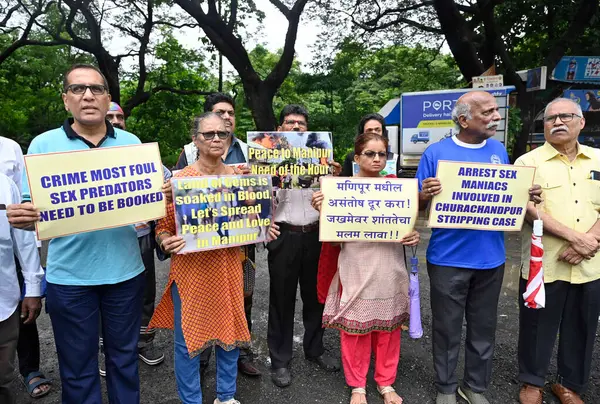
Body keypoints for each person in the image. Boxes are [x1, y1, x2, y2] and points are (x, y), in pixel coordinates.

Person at [7, 64, 146, 403]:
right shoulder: (42, 145)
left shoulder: (132, 143)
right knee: (77, 367)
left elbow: (146, 200)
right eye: (78, 89)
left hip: (126, 274)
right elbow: (30, 204)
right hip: (69, 279)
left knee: (124, 361)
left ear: (108, 99)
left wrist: (161, 198)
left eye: (97, 89)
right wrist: (24, 216)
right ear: (66, 99)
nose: (88, 95)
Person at [416, 91, 542, 404]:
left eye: (495, 111)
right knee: (446, 329)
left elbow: (508, 196)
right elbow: (415, 207)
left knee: (483, 328)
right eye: (488, 112)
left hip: (492, 259)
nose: (496, 117)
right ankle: (445, 387)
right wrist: (425, 194)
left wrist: (527, 194)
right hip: (447, 258)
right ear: (463, 119)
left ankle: (474, 387)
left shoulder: (498, 150)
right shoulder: (436, 153)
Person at [149, 112, 279, 404]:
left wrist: (263, 225)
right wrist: (165, 240)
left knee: (230, 336)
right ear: (195, 139)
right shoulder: (179, 182)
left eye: (223, 133)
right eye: (209, 134)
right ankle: (190, 399)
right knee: (187, 343)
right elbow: (162, 228)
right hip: (190, 273)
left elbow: (255, 218)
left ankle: (226, 395)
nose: (217, 139)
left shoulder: (242, 177)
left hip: (229, 267)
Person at [311, 132, 419, 404]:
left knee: (389, 330)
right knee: (354, 331)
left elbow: (407, 230)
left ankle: (386, 382)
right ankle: (357, 385)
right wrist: (324, 213)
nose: (376, 158)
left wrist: (413, 236)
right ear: (357, 158)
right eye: (370, 154)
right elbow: (334, 240)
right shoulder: (339, 189)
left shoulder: (397, 189)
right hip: (356, 266)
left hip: (390, 267)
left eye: (382, 154)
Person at [515, 98, 600, 404]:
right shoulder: (527, 163)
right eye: (551, 118)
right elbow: (525, 208)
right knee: (537, 324)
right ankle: (532, 382)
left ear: (581, 122)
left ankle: (569, 384)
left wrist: (589, 241)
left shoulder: (598, 160)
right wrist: (574, 238)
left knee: (582, 323)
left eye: (566, 116)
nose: (558, 122)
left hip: (590, 262)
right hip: (544, 263)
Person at [175, 93, 259, 377]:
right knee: (201, 306)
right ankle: (201, 358)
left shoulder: (251, 151)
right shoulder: (187, 156)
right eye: (218, 114)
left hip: (239, 247)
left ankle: (240, 355)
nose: (224, 121)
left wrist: (261, 215)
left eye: (229, 115)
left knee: (239, 302)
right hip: (199, 251)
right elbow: (177, 205)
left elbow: (260, 200)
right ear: (198, 136)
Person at [267, 104, 341, 388]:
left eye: (300, 123)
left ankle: (315, 348)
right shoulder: (267, 159)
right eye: (289, 122)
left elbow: (337, 202)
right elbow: (256, 200)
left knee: (316, 298)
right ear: (280, 129)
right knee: (281, 300)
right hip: (283, 235)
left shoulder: (323, 158)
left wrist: (333, 180)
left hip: (316, 235)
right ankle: (280, 359)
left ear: (308, 129)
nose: (296, 127)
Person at [97, 102, 167, 375]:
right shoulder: (85, 158)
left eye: (120, 116)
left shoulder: (139, 151)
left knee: (143, 292)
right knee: (106, 294)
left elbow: (167, 179)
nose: (116, 120)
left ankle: (142, 344)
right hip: (103, 239)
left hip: (139, 235)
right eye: (110, 116)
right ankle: (107, 351)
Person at [0, 136, 52, 398]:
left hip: (6, 276)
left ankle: (29, 368)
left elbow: (23, 222)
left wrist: (33, 285)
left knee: (3, 377)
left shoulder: (9, 153)